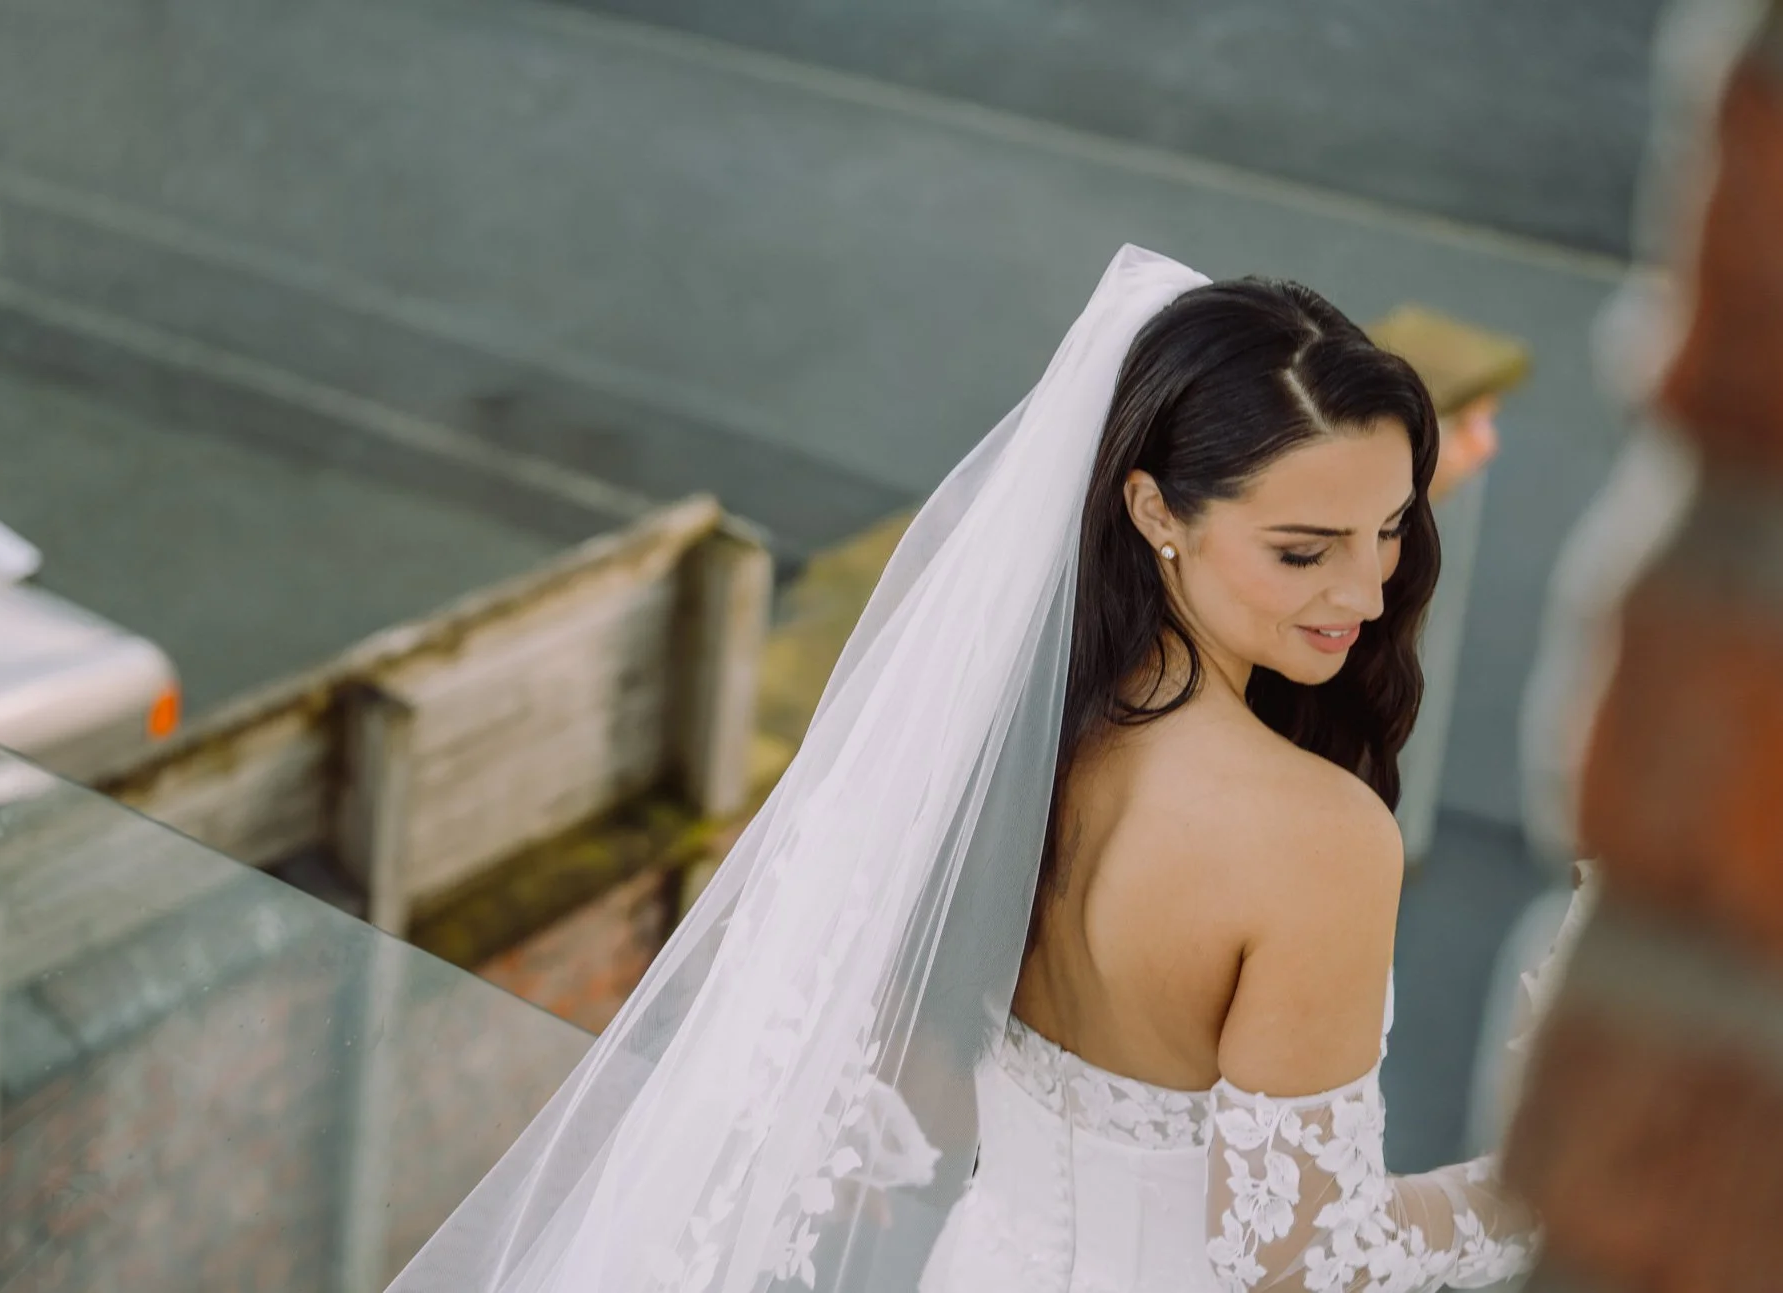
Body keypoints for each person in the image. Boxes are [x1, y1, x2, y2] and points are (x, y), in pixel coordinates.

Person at [387, 247, 1540, 1293]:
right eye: (1302, 550)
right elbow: (1305, 1263)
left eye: (1387, 528)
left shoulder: (1013, 729)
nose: (1365, 591)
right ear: (1152, 510)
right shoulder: (1317, 839)